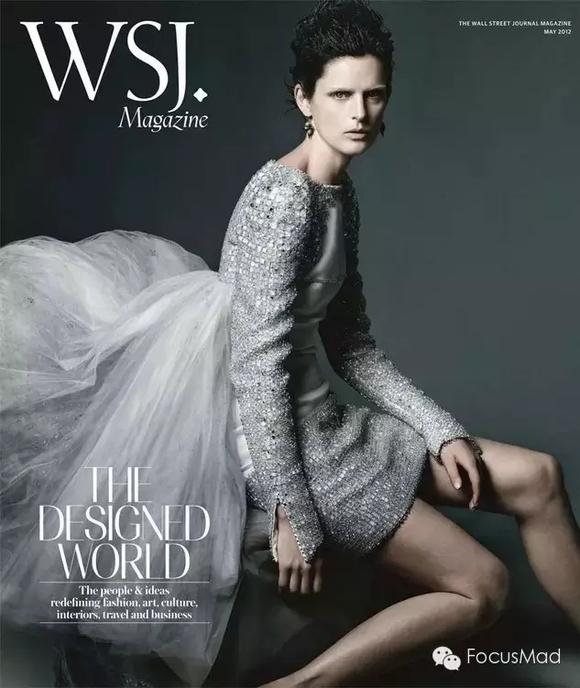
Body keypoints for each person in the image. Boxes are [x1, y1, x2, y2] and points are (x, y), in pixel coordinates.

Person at [1, 1, 579, 686]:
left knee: (539, 478)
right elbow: (255, 372)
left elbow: (351, 343)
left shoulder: (336, 194)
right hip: (298, 457)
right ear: (305, 99)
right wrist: (294, 513)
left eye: (373, 94)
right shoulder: (284, 202)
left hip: (333, 429)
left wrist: (439, 430)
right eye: (340, 95)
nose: (359, 113)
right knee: (484, 587)